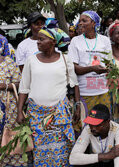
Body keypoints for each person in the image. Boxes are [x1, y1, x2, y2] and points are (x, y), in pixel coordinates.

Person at [17, 26, 80, 166]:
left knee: (62, 151)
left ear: (53, 42)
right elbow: (24, 88)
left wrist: (77, 107)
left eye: (41, 39)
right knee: (40, 152)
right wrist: (19, 111)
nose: (38, 42)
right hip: (36, 115)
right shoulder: (31, 61)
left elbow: (74, 84)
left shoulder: (65, 59)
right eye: (37, 39)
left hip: (59, 113)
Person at [68, 11, 112, 116]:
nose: (80, 23)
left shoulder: (105, 40)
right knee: (85, 126)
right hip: (84, 92)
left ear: (94, 23)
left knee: (102, 124)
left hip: (103, 91)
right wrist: (92, 69)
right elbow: (73, 68)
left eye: (84, 20)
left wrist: (107, 70)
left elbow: (110, 64)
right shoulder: (75, 41)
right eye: (80, 20)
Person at [0, 35, 23, 166]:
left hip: (9, 107)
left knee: (10, 136)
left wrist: (5, 86)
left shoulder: (9, 62)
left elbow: (20, 83)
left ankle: (13, 162)